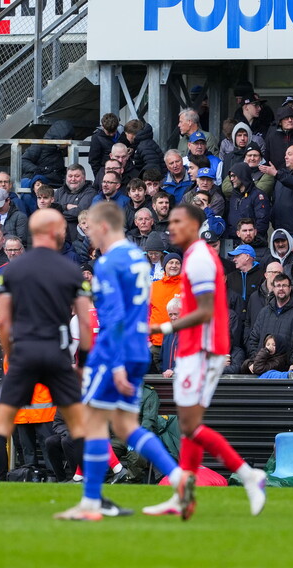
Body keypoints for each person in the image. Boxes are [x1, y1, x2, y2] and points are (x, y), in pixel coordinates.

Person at [54, 203, 184, 521]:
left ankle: (91, 502)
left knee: (90, 422)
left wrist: (114, 364)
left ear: (103, 226)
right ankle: (180, 480)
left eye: (89, 227)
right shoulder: (137, 259)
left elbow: (113, 315)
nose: (86, 234)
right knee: (124, 426)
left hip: (115, 353)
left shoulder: (109, 262)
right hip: (137, 350)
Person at [147, 204, 267, 520]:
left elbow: (203, 312)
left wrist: (161, 327)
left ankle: (247, 475)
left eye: (178, 222)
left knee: (189, 425)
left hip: (201, 350)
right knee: (189, 427)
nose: (171, 227)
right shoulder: (196, 257)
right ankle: (184, 498)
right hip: (199, 348)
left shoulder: (199, 259)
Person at [0, 209, 92, 515]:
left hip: (23, 353)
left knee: (1, 427)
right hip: (56, 354)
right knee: (78, 427)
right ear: (54, 232)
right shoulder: (71, 271)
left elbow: (4, 321)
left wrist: (12, 352)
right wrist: (81, 364)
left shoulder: (9, 272)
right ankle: (93, 497)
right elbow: (86, 326)